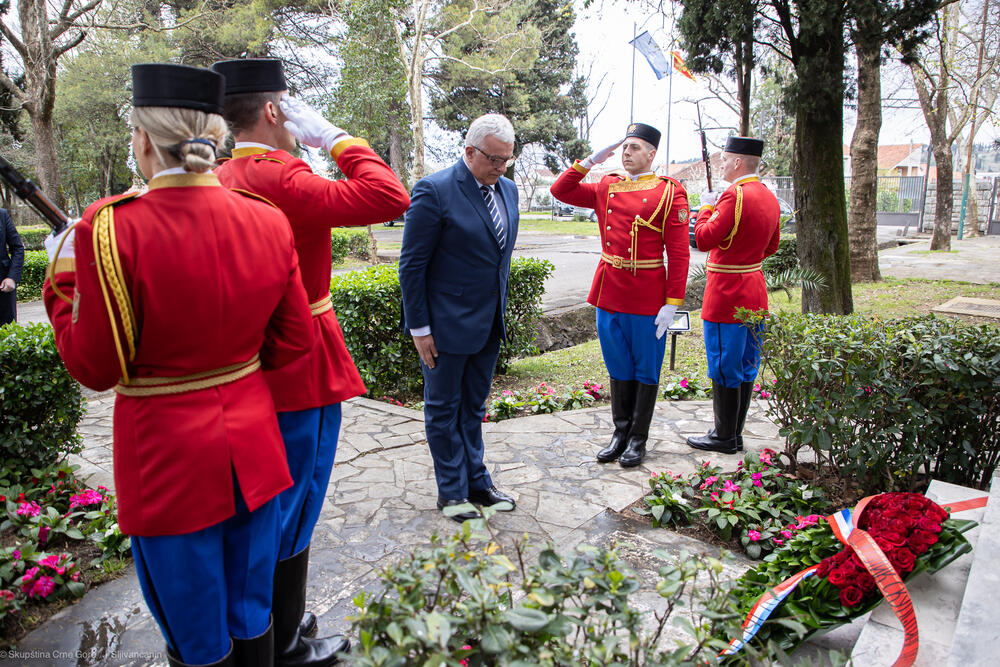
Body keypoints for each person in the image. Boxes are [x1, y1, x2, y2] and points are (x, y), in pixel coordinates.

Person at [43, 63, 315, 667]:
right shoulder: (265, 218)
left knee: (194, 630)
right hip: (254, 445)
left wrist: (63, 285)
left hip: (166, 456)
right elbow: (294, 345)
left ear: (142, 138)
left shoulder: (109, 230)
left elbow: (94, 366)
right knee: (251, 608)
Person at [211, 58, 410, 666]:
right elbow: (388, 194)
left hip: (241, 362)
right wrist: (338, 139)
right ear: (274, 112)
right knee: (295, 503)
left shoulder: (216, 176)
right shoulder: (281, 175)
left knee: (258, 504)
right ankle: (286, 640)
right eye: (291, 110)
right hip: (301, 361)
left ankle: (270, 624)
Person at [398, 113, 519, 523]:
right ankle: (451, 493)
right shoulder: (434, 191)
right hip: (444, 328)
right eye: (495, 160)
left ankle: (476, 482)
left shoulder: (510, 191)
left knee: (473, 408)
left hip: (487, 325)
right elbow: (412, 267)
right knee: (443, 410)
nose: (501, 168)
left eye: (508, 160)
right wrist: (420, 328)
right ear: (469, 152)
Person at [550, 122, 690, 468]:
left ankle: (637, 438)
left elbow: (680, 252)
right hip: (610, 290)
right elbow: (560, 190)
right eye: (624, 147)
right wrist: (592, 159)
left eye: (635, 148)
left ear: (652, 154)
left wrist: (672, 303)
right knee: (617, 364)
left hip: (647, 295)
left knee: (646, 368)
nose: (627, 153)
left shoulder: (670, 192)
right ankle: (619, 432)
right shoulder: (608, 186)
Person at [686, 136, 780, 455]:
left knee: (725, 363)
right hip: (755, 287)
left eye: (725, 159)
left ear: (738, 162)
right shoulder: (768, 196)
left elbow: (701, 239)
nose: (722, 164)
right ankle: (733, 433)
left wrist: (707, 205)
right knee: (746, 363)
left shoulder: (734, 196)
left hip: (727, 293)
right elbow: (772, 247)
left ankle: (724, 436)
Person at [1, 208, 24, 326]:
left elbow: (17, 248)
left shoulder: (2, 215)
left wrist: (12, 277)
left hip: (3, 286)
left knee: (7, 332)